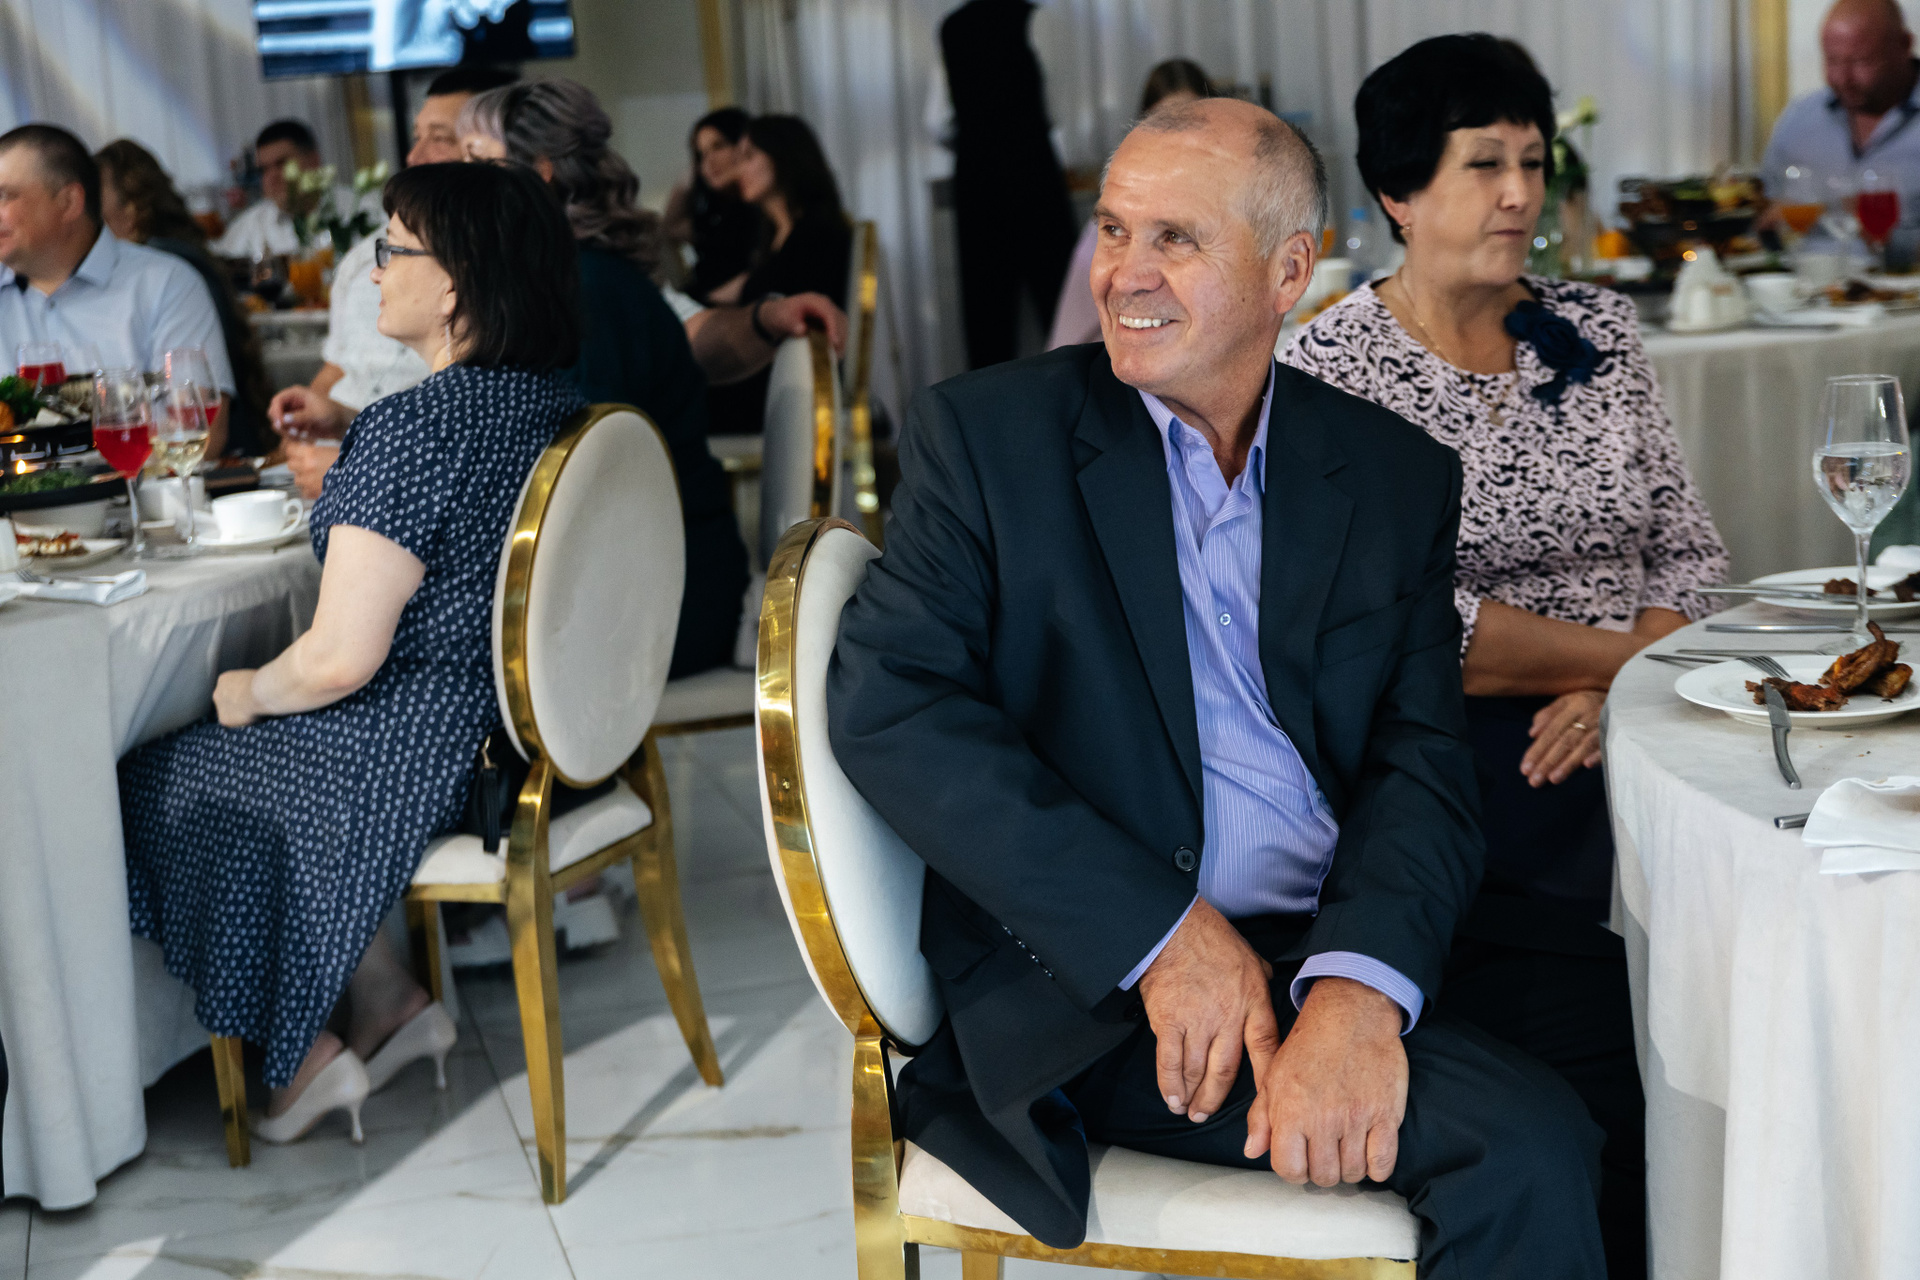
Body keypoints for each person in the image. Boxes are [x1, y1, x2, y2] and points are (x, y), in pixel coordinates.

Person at [829, 96, 1607, 1277]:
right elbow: (894, 703)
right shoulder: (990, 440)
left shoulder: (1387, 473)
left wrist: (1358, 982)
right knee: (1521, 1142)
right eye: (1114, 229)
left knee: (1645, 1030)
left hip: (1329, 926)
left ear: (1289, 270)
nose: (1124, 275)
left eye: (1175, 239)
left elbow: (1419, 761)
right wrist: (1159, 934)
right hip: (1106, 984)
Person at [1281, 34, 1729, 1279]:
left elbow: (1691, 553)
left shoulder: (1597, 328)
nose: (1520, 193)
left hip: (1630, 713)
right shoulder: (1329, 369)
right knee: (1602, 1018)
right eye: (1484, 164)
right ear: (1397, 190)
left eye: (1533, 162)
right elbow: (1409, 622)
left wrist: (1614, 684)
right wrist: (1620, 666)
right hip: (1470, 752)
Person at [118, 161, 583, 1140]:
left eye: (391, 250)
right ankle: (388, 1004)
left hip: (425, 741)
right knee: (240, 759)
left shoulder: (417, 427)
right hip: (516, 726)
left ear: (453, 284)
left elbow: (337, 661)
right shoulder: (545, 403)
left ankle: (296, 1057)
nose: (372, 272)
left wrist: (245, 689)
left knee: (165, 777)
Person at [459, 78, 749, 678]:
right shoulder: (571, 279)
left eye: (477, 163)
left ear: (538, 175)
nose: (460, 182)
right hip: (636, 574)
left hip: (660, 600)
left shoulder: (584, 292)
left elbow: (581, 476)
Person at [270, 65, 519, 497]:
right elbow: (338, 368)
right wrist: (335, 421)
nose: (414, 155)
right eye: (417, 135)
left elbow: (468, 463)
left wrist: (354, 469)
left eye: (440, 138)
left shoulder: (482, 377)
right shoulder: (361, 258)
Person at [0, 125, 234, 416]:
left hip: (140, 451)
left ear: (69, 202)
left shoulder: (164, 283)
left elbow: (201, 425)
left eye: (5, 196)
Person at [94, 139, 276, 459]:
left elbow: (199, 418)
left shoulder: (166, 271)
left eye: (96, 202)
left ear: (132, 209)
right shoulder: (186, 254)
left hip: (226, 458)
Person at [940, 0, 1079, 369]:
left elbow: (936, 120)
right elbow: (1055, 109)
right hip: (1031, 167)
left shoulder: (952, 28)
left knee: (986, 316)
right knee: (1062, 301)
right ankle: (1082, 393)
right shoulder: (1036, 20)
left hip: (977, 177)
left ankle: (990, 403)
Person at [1048, 59, 1214, 350]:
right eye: (1163, 125)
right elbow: (1066, 343)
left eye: (1191, 124)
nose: (1177, 140)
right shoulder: (1107, 227)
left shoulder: (1229, 210)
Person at [704, 114, 852, 435]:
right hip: (778, 377)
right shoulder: (774, 241)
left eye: (748, 157)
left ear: (783, 155)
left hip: (794, 386)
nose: (738, 171)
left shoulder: (816, 236)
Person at [1763, 0, 1920, 265]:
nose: (1843, 79)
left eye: (1861, 61)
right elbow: (1760, 216)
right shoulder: (1800, 118)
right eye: (1832, 60)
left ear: (1904, 45)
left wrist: (1892, 239)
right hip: (1802, 285)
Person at [211, 120, 378, 261]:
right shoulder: (252, 224)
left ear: (313, 160)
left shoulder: (362, 210)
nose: (272, 177)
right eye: (263, 170)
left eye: (282, 164)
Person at [663, 107, 764, 303]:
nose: (709, 161)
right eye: (701, 154)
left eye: (718, 146)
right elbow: (671, 227)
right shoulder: (715, 216)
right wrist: (688, 178)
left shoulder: (763, 211)